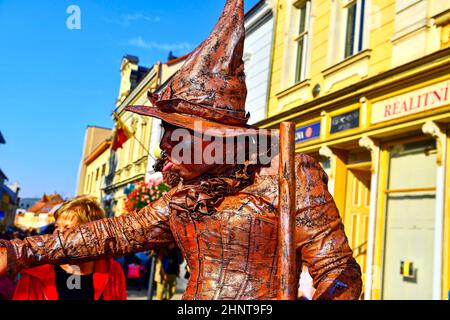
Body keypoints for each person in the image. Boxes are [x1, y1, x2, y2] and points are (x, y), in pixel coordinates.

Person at [0, 0, 362, 300]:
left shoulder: (288, 174)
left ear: (217, 136)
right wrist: (19, 251)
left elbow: (340, 272)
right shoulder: (185, 194)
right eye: (164, 130)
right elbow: (111, 233)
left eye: (176, 131)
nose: (165, 144)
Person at [11, 196, 127, 300]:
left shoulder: (112, 271)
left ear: (91, 233)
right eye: (57, 226)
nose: (58, 233)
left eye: (67, 228)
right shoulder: (36, 273)